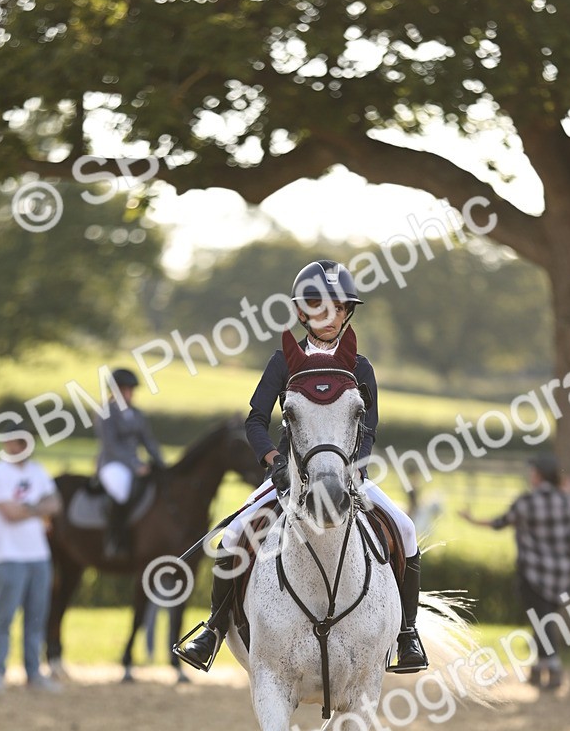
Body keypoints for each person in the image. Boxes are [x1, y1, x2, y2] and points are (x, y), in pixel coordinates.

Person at [177, 258, 427, 674]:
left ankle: (407, 634)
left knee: (405, 528)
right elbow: (256, 420)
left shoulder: (359, 366)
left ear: (347, 313)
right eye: (317, 307)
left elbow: (369, 427)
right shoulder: (284, 362)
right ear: (301, 312)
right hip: (289, 473)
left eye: (337, 307)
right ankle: (214, 628)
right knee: (234, 534)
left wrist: (355, 468)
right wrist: (273, 460)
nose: (327, 316)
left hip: (347, 473)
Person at [460, 454, 570, 689]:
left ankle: (553, 666)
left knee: (541, 620)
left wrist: (472, 520)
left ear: (538, 475)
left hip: (535, 573)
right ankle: (539, 667)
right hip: (564, 573)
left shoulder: (527, 502)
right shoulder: (568, 501)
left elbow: (500, 522)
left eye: (532, 471)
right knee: (545, 619)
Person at [0, 425, 62, 693]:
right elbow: (9, 513)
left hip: (38, 555)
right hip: (7, 556)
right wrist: (37, 509)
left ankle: (33, 672)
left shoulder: (37, 471)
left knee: (36, 617)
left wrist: (27, 508)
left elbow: (55, 504)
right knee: (4, 617)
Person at [95, 368, 165, 556]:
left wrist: (162, 463)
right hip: (112, 464)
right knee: (122, 491)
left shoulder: (137, 414)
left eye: (131, 390)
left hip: (134, 462)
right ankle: (114, 539)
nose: (129, 394)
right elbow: (111, 445)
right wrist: (135, 465)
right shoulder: (106, 413)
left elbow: (148, 440)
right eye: (125, 390)